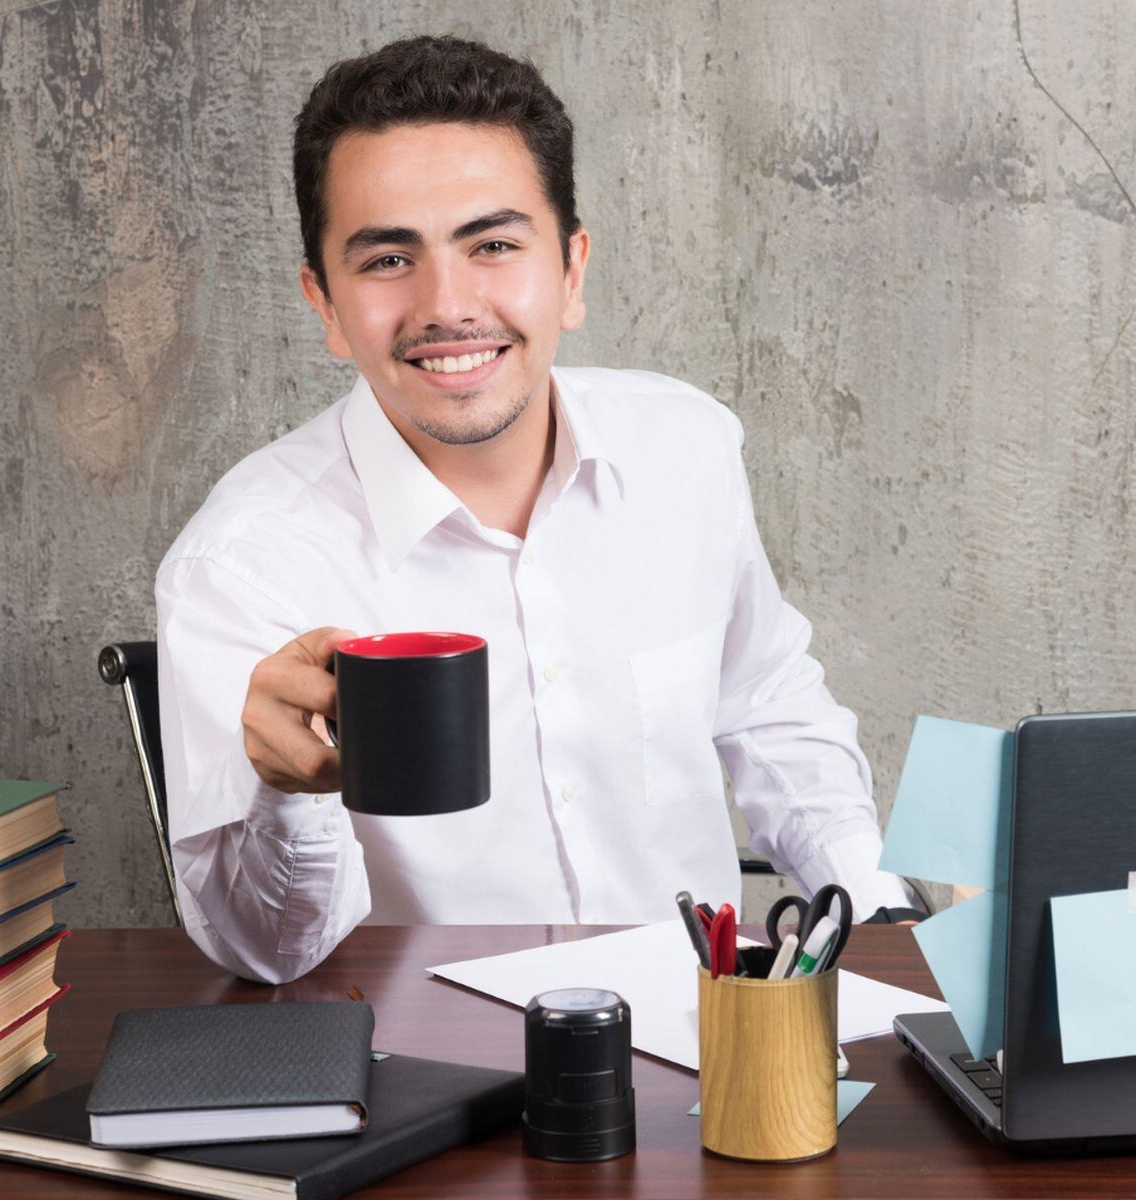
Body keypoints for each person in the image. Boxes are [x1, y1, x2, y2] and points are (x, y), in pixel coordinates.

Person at [156, 35, 911, 984]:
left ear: (572, 271)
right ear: (325, 304)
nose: (447, 304)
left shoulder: (687, 447)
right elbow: (267, 955)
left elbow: (765, 703)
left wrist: (872, 909)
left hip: (709, 1034)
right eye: (389, 259)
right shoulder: (243, 562)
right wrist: (284, 795)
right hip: (428, 1079)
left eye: (495, 246)